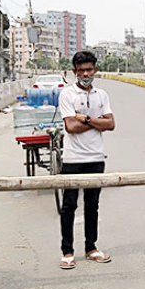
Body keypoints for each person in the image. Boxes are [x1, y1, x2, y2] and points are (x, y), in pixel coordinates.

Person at [57, 51, 115, 269]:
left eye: (89, 70)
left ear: (95, 70)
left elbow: (111, 124)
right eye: (81, 71)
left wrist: (87, 118)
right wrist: (98, 122)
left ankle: (91, 247)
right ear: (74, 72)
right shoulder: (67, 94)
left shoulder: (102, 95)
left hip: (96, 157)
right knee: (69, 206)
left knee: (92, 205)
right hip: (73, 158)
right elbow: (70, 127)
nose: (85, 74)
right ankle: (67, 251)